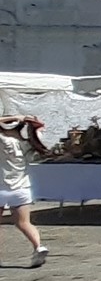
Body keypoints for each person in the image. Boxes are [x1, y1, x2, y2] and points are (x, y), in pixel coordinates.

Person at [0, 114, 50, 268]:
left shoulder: (3, 140)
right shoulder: (28, 144)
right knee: (24, 223)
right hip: (22, 188)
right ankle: (38, 246)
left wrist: (15, 117)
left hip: (1, 187)